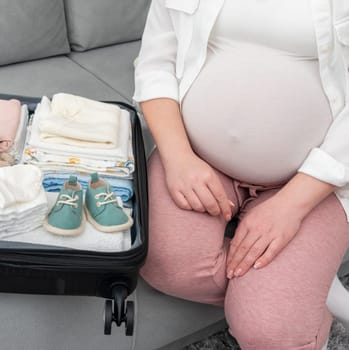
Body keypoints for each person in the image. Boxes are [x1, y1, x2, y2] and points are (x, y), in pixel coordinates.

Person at [133, 1, 349, 349]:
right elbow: (156, 62)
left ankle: (289, 301)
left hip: (317, 179)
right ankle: (303, 288)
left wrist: (288, 208)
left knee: (270, 332)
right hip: (199, 157)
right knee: (163, 264)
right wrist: (178, 158)